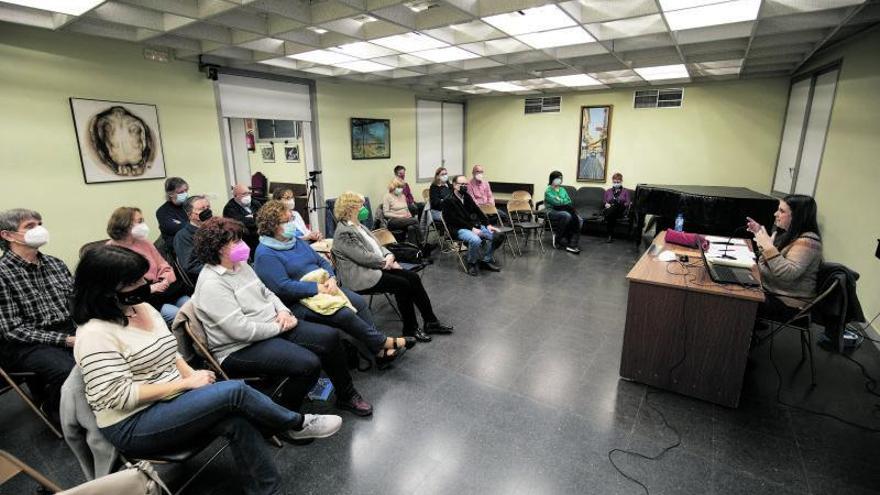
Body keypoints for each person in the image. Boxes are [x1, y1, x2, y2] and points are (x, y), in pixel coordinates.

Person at [72, 245, 342, 495]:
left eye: (142, 278)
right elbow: (118, 396)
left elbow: (170, 352)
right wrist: (186, 384)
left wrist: (189, 374)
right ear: (104, 290)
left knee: (237, 420)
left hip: (171, 398)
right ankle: (295, 424)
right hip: (134, 421)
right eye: (133, 282)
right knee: (234, 391)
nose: (145, 284)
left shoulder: (141, 308)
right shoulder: (95, 334)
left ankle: (267, 490)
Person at [191, 217, 372, 416]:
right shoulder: (212, 284)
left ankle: (346, 395)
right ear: (218, 248)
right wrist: (280, 327)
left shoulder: (241, 265)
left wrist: (284, 311)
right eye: (236, 241)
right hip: (239, 348)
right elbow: (241, 331)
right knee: (308, 364)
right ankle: (283, 417)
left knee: (330, 337)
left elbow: (267, 292)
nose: (243, 244)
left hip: (271, 325)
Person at [254, 201, 412, 367]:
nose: (291, 224)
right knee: (343, 313)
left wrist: (331, 277)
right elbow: (282, 287)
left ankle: (378, 350)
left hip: (324, 287)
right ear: (271, 226)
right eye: (286, 221)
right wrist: (316, 288)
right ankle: (381, 344)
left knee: (358, 302)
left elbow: (321, 261)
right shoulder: (265, 254)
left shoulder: (295, 241)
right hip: (298, 301)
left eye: (291, 219)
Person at [331, 193, 453, 342]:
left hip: (376, 267)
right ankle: (410, 329)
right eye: (361, 205)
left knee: (413, 277)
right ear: (350, 209)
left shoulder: (359, 226)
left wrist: (389, 255)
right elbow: (363, 257)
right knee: (402, 284)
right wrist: (385, 262)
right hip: (361, 276)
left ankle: (431, 322)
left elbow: (378, 246)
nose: (364, 208)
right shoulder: (343, 232)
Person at [0, 208, 75, 425]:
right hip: (24, 343)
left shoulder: (55, 263)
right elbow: (12, 330)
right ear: (7, 235)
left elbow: (75, 302)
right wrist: (66, 340)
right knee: (68, 370)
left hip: (65, 328)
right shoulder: (2, 274)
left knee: (105, 350)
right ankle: (51, 407)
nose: (39, 230)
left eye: (40, 224)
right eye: (30, 226)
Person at [747, 194, 823, 328]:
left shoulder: (808, 242)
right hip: (775, 292)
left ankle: (744, 333)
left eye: (781, 211)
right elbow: (768, 264)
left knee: (738, 298)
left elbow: (786, 274)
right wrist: (761, 236)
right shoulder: (789, 235)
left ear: (797, 216)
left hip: (790, 305)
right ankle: (748, 329)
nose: (775, 214)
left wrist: (768, 247)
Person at [105, 207, 189, 326]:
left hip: (166, 290)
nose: (143, 224)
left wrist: (165, 279)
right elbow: (122, 286)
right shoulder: (111, 251)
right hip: (144, 299)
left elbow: (163, 265)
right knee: (179, 315)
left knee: (192, 307)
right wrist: (153, 288)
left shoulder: (144, 242)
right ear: (125, 225)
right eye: (140, 221)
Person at [443, 176, 505, 276]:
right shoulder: (448, 200)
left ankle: (485, 260)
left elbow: (477, 210)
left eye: (466, 184)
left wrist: (487, 224)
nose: (464, 186)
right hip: (458, 228)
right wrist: (472, 229)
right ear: (454, 185)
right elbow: (455, 220)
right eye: (462, 184)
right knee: (476, 240)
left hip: (472, 226)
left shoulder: (466, 196)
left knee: (499, 236)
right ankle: (472, 263)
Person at [174, 195, 212, 284]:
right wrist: (217, 270)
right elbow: (191, 266)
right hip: (207, 279)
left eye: (208, 207)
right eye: (202, 209)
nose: (207, 211)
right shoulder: (183, 236)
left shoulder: (217, 228)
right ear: (189, 215)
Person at [544, 171, 581, 254]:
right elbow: (556, 203)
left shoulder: (562, 189)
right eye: (557, 178)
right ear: (552, 179)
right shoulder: (548, 191)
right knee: (567, 215)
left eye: (560, 178)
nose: (559, 180)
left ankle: (570, 240)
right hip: (552, 210)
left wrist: (559, 199)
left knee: (579, 219)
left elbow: (569, 201)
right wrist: (562, 200)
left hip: (564, 209)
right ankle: (558, 238)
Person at [382, 178, 424, 247]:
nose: (401, 189)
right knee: (415, 220)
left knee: (411, 227)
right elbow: (386, 213)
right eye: (399, 187)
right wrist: (399, 216)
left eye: (401, 187)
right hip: (393, 221)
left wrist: (409, 216)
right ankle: (422, 242)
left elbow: (406, 209)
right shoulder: (387, 196)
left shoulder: (403, 196)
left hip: (404, 220)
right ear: (393, 186)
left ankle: (414, 248)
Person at [223, 183, 263, 252]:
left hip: (260, 238)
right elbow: (241, 224)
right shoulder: (229, 208)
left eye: (248, 193)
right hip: (244, 241)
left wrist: (251, 218)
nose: (248, 196)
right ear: (235, 196)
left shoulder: (255, 203)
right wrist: (254, 218)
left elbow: (263, 217)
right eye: (244, 194)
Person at [155, 177, 190, 248]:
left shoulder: (189, 205)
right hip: (176, 247)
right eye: (181, 192)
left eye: (186, 190)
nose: (185, 194)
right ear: (170, 194)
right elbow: (179, 229)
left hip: (192, 242)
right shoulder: (163, 211)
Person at [602, 172, 632, 243]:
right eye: (614, 182)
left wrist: (622, 204)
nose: (616, 183)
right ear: (612, 181)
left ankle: (606, 216)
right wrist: (606, 204)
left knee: (616, 204)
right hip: (611, 210)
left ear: (621, 181)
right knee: (612, 214)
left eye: (618, 182)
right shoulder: (608, 191)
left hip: (620, 210)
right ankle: (610, 236)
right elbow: (604, 201)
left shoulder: (625, 191)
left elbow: (628, 202)